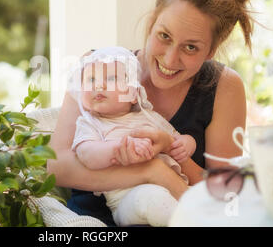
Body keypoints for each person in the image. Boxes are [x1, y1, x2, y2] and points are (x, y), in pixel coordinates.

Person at [47, 0, 255, 226]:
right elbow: (55, 167)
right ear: (151, 23)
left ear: (211, 51)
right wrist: (152, 171)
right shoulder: (97, 65)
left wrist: (170, 151)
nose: (169, 60)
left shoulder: (224, 87)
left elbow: (223, 193)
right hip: (91, 222)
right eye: (164, 36)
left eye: (191, 47)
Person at [69, 46, 196, 226]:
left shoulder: (148, 117)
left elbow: (176, 140)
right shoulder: (90, 122)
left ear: (134, 94)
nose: (98, 85)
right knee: (153, 199)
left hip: (176, 187)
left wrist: (188, 143)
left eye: (111, 79)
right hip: (128, 199)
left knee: (208, 198)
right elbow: (86, 154)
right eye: (90, 80)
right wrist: (118, 148)